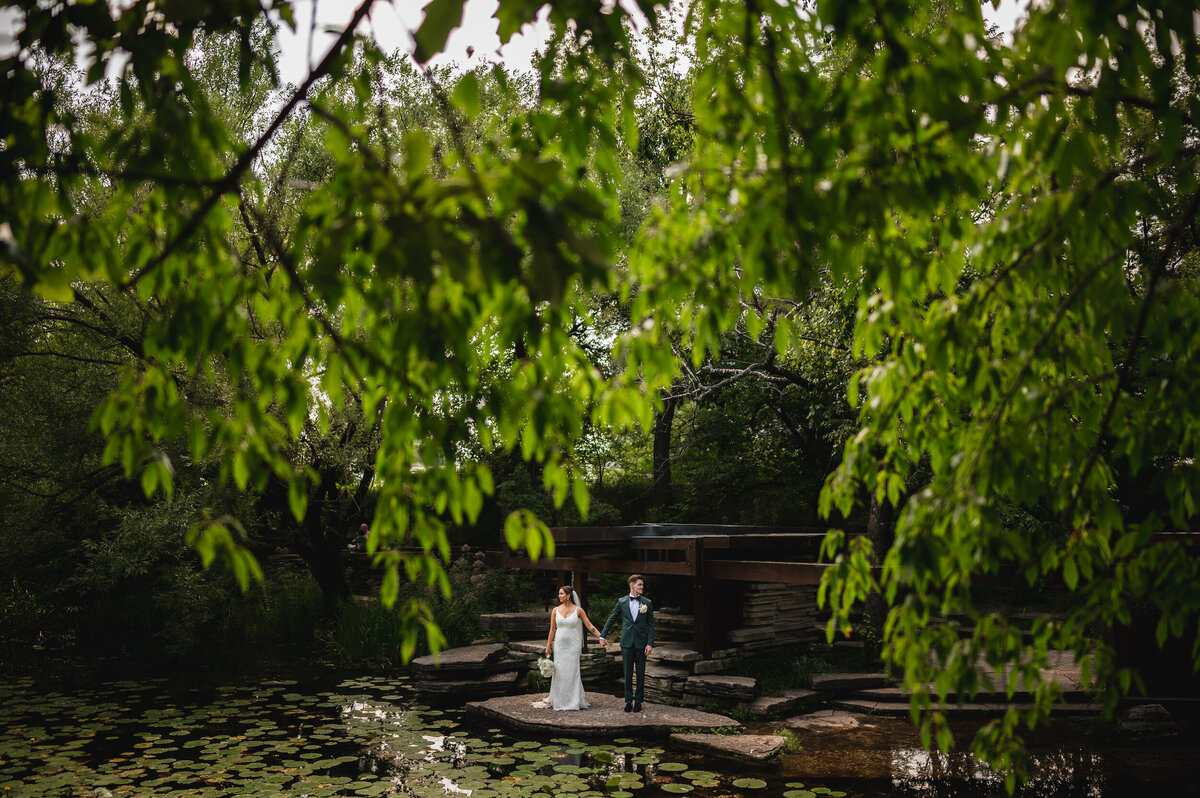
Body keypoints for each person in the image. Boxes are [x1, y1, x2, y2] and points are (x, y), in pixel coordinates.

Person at [533, 585, 604, 711]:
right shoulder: (555, 610)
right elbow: (552, 629)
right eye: (559, 594)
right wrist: (548, 646)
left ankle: (573, 700)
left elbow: (589, 625)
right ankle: (559, 700)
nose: (559, 596)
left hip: (573, 645)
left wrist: (601, 637)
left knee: (572, 671)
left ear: (568, 595)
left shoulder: (578, 610)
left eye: (561, 594)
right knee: (559, 671)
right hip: (559, 644)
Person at [599, 574, 655, 713]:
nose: (642, 587)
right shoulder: (622, 601)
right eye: (640, 585)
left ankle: (638, 701)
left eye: (642, 584)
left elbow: (651, 625)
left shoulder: (647, 603)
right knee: (627, 673)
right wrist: (602, 635)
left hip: (642, 643)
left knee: (640, 674)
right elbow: (612, 618)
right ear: (632, 586)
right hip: (626, 643)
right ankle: (628, 701)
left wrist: (650, 643)